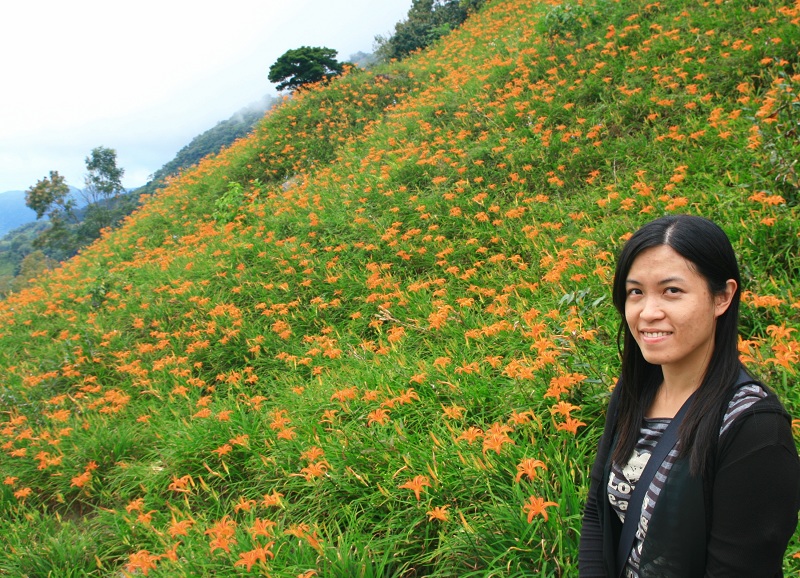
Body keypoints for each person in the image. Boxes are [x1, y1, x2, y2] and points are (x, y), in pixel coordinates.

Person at [579, 214, 800, 577]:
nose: (648, 312)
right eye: (636, 292)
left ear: (722, 297)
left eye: (672, 291)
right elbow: (596, 514)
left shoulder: (755, 430)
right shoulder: (634, 391)